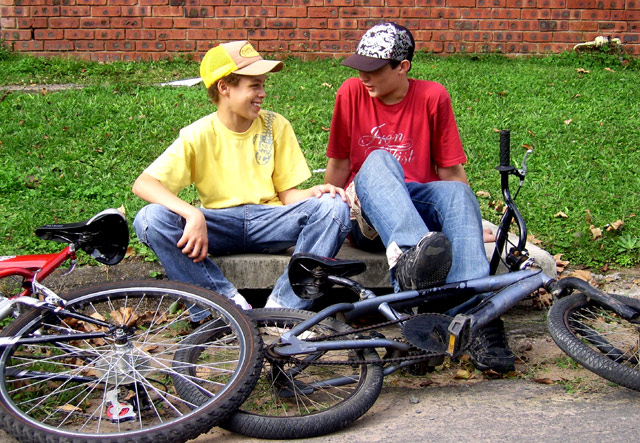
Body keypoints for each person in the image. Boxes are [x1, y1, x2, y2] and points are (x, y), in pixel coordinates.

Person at [324, 23, 514, 373]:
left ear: (403, 66)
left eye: (374, 70)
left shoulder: (432, 96)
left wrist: (472, 221)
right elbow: (339, 163)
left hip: (417, 207)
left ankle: (475, 319)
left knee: (457, 193)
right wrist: (323, 215)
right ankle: (411, 256)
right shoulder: (350, 93)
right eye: (360, 68)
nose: (364, 77)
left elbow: (451, 173)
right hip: (365, 210)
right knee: (380, 159)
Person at [133, 40, 350, 316]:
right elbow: (144, 183)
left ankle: (284, 309)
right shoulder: (198, 134)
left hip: (270, 222)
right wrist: (192, 215)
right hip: (219, 225)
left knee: (333, 207)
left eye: (263, 84)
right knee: (150, 219)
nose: (262, 93)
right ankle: (222, 305)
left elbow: (288, 195)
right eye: (254, 85)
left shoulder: (276, 125)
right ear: (224, 87)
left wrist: (316, 193)